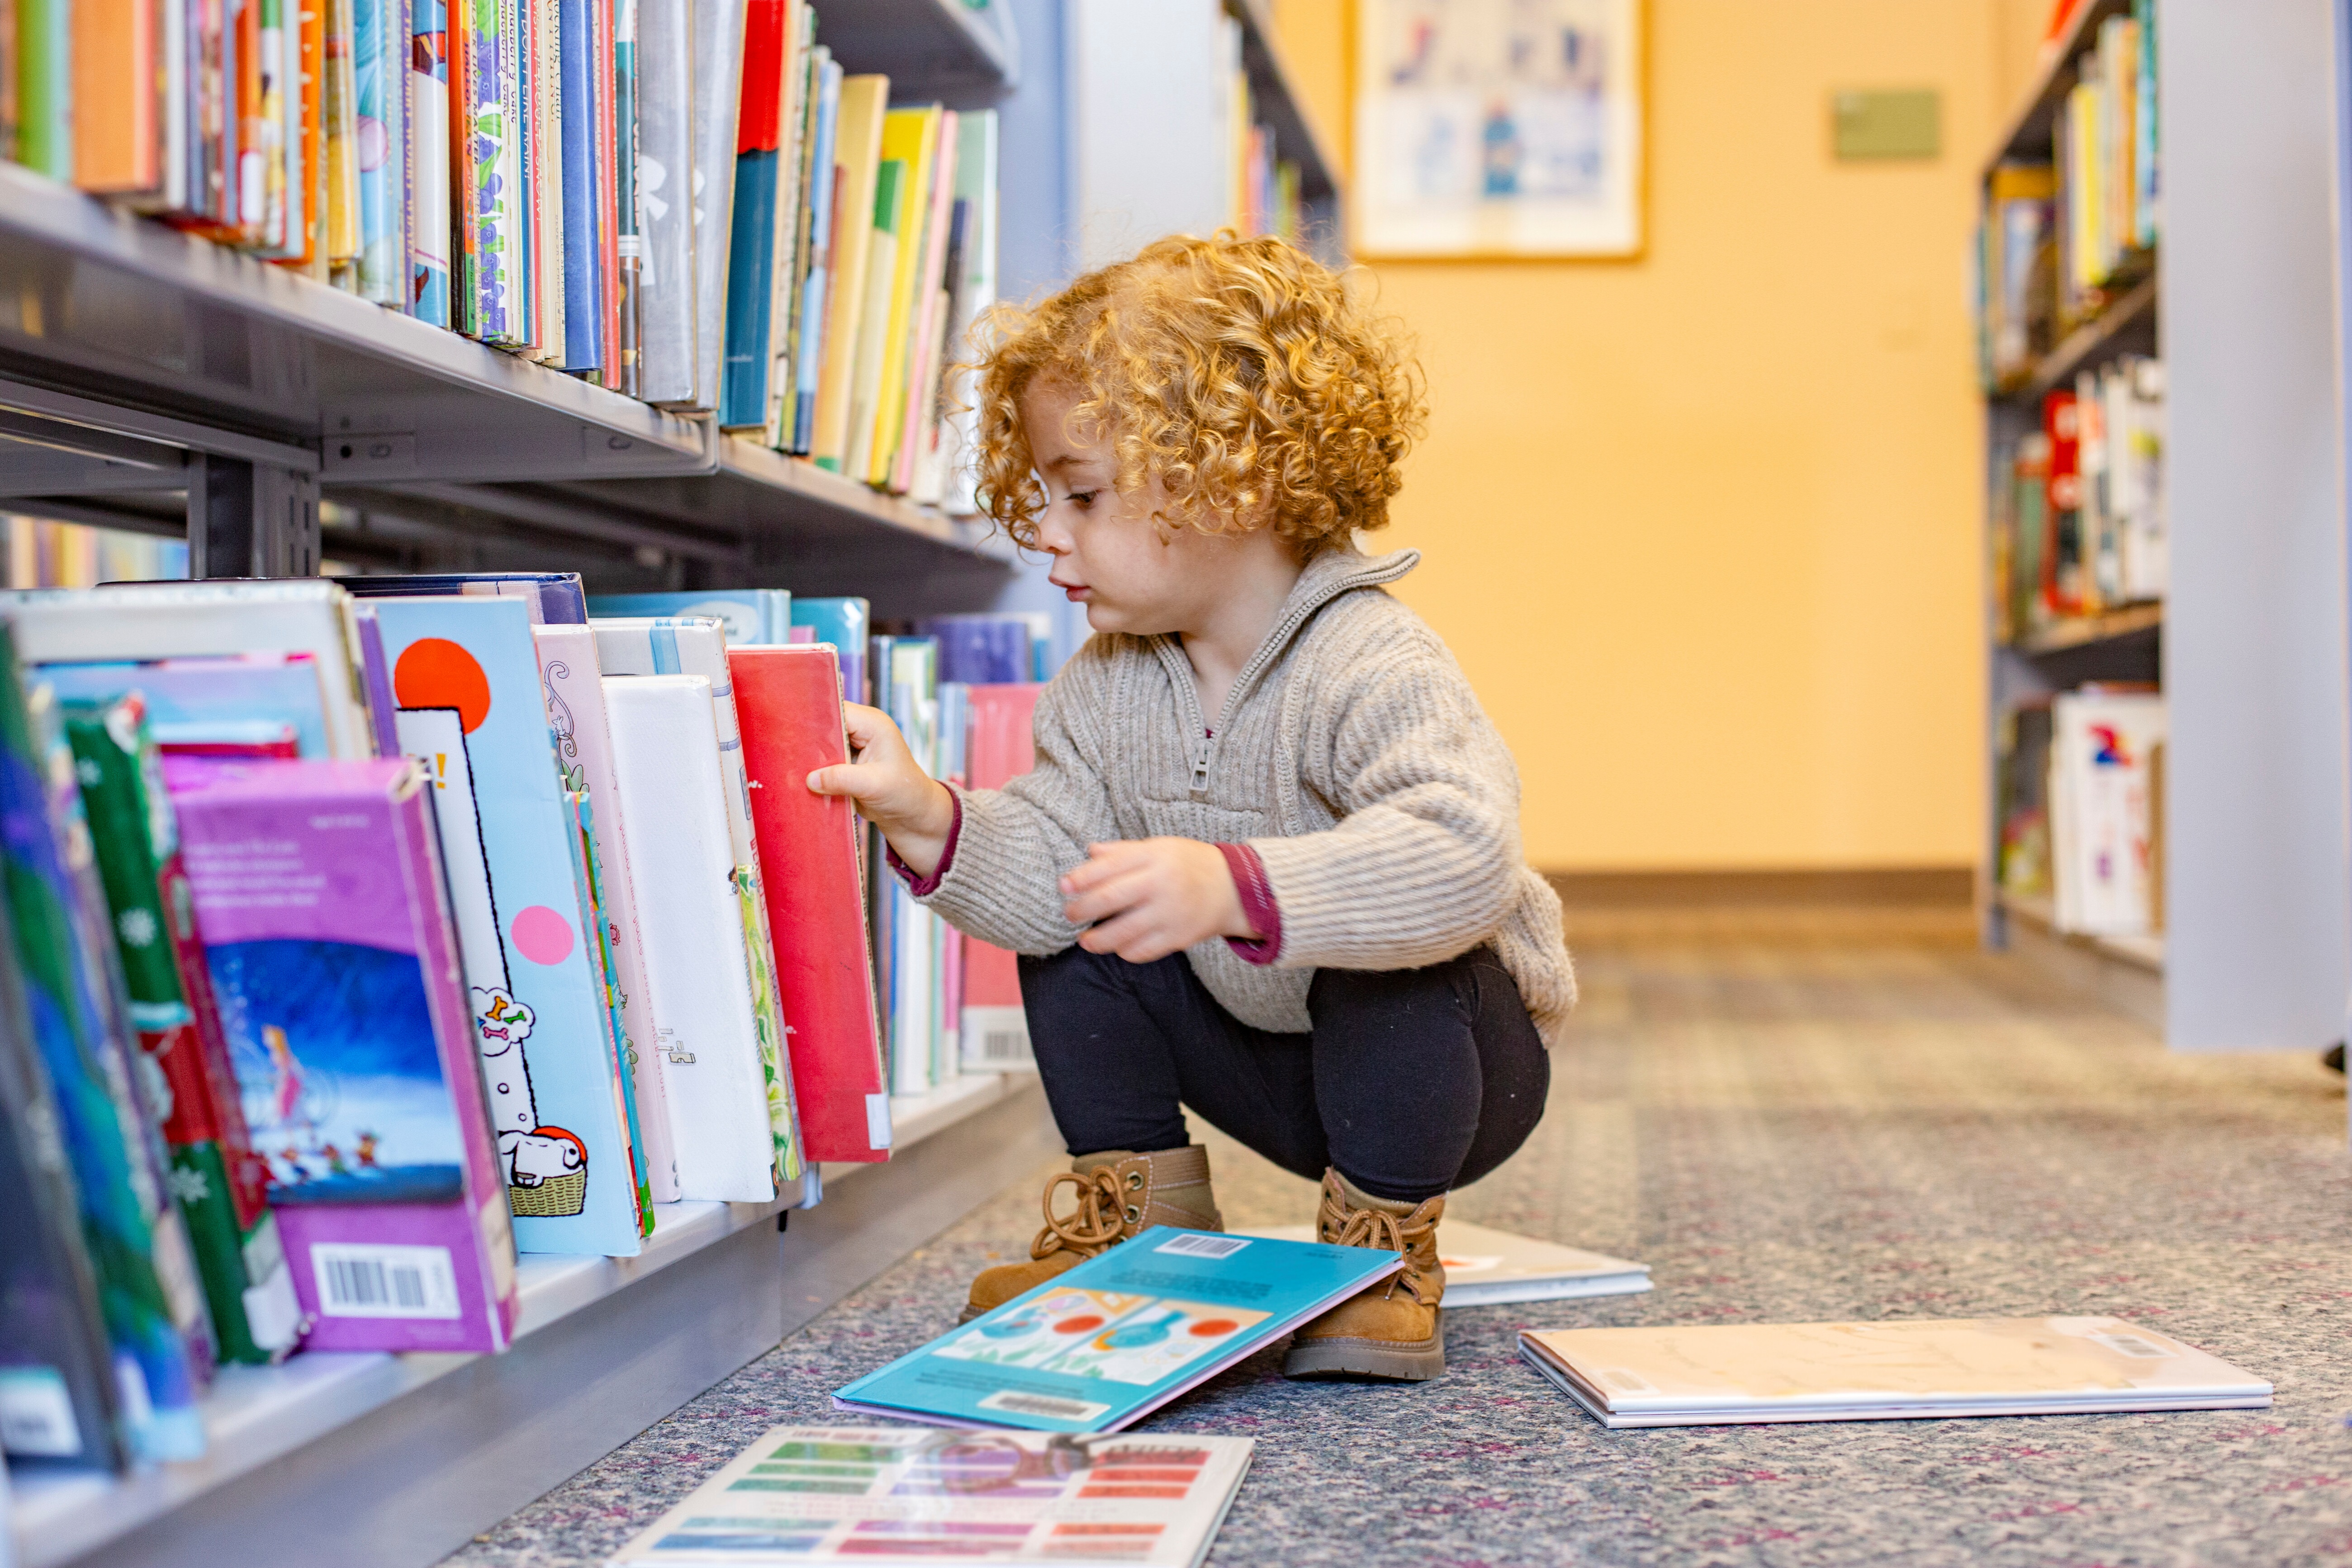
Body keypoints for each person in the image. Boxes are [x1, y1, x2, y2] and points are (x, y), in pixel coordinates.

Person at [808, 232, 1575, 1382]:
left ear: (1235, 478)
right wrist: (932, 816)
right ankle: (1138, 1227)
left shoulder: (1372, 659)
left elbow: (1460, 856)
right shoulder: (1105, 686)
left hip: (1451, 1076)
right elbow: (1047, 862)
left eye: (1081, 496)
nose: (1050, 536)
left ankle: (1382, 1254)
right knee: (1083, 914)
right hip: (1264, 1053)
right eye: (1043, 499)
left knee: (1402, 953)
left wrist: (1232, 885)